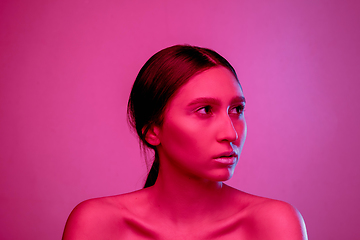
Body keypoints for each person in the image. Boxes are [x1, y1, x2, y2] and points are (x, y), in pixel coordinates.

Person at [62, 45, 308, 240]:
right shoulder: (97, 225)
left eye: (237, 109)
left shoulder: (273, 225)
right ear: (152, 130)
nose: (231, 133)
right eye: (205, 110)